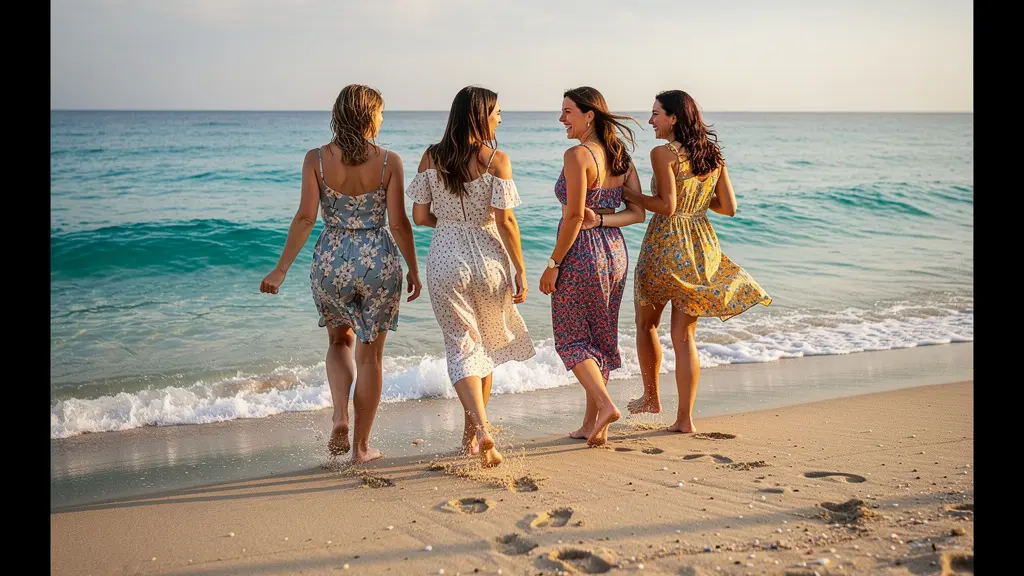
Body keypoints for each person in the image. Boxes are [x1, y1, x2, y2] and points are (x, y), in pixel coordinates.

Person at [260, 84, 421, 464]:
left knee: (338, 343)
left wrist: (281, 269)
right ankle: (362, 448)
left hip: (331, 260)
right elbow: (398, 224)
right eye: (381, 112)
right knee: (371, 358)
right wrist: (413, 267)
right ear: (369, 116)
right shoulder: (389, 162)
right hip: (378, 259)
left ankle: (339, 415)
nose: (383, 119)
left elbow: (304, 218)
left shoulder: (315, 159)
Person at [625, 90, 771, 433]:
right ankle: (684, 419)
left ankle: (651, 398)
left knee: (646, 325)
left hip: (666, 245)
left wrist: (629, 195)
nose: (650, 121)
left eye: (656, 114)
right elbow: (729, 207)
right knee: (684, 336)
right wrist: (698, 204)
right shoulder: (712, 155)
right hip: (702, 245)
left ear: (674, 117)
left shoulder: (663, 153)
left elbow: (666, 206)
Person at [407, 86, 535, 468]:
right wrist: (520, 269)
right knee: (486, 350)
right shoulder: (497, 161)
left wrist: (446, 223)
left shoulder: (432, 156)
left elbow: (418, 216)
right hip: (490, 260)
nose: (500, 117)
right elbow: (505, 220)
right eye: (496, 111)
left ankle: (478, 433)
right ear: (480, 115)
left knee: (461, 346)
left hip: (446, 259)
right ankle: (473, 436)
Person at [539, 86, 645, 447]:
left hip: (581, 253)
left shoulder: (578, 155)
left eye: (567, 111)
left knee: (571, 337)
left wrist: (553, 263)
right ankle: (592, 424)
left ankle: (604, 405)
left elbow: (572, 216)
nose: (561, 118)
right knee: (600, 335)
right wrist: (602, 221)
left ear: (589, 116)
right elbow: (636, 213)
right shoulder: (620, 157)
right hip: (614, 251)